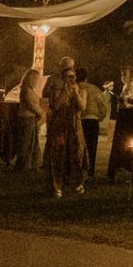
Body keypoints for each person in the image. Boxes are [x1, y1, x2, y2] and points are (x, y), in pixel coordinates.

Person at [43, 63, 85, 197]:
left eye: (73, 77)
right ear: (62, 77)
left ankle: (75, 182)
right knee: (57, 155)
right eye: (68, 77)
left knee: (74, 155)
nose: (71, 79)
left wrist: (74, 91)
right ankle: (57, 186)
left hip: (73, 126)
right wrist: (65, 91)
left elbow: (81, 106)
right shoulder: (56, 90)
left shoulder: (79, 90)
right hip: (59, 126)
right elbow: (55, 105)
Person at [76, 67, 108, 179]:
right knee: (92, 147)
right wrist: (100, 116)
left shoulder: (73, 88)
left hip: (77, 120)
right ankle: (90, 171)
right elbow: (102, 104)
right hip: (92, 120)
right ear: (86, 78)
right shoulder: (94, 89)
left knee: (77, 146)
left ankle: (78, 170)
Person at [12, 68, 45, 173]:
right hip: (26, 118)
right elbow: (31, 105)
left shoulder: (30, 90)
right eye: (36, 79)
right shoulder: (26, 90)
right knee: (25, 142)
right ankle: (22, 165)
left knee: (32, 142)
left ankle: (30, 164)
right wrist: (40, 113)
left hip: (31, 118)